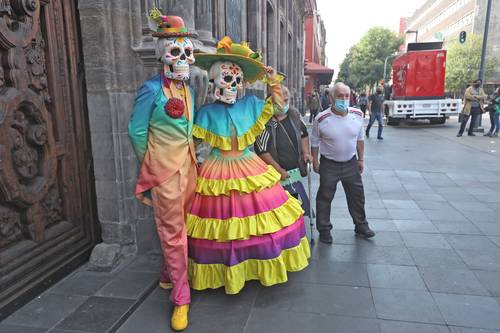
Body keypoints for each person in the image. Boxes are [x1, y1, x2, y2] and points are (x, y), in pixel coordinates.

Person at [187, 36, 310, 295]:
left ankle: (256, 265)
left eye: (236, 79)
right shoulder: (207, 112)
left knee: (258, 220)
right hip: (217, 167)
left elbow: (279, 106)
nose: (232, 85)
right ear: (214, 82)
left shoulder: (251, 105)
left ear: (242, 83)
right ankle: (227, 271)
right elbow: (193, 142)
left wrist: (272, 80)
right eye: (226, 78)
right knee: (222, 223)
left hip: (248, 163)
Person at [128, 9, 197, 331]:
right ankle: (182, 299)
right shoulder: (151, 89)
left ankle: (168, 275)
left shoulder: (190, 91)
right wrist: (152, 167)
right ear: (163, 56)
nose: (182, 57)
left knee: (181, 228)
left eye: (187, 52)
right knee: (173, 235)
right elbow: (137, 132)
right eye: (176, 51)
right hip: (165, 173)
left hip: (189, 169)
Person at [311, 82, 375, 244]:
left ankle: (361, 225)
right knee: (324, 197)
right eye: (340, 96)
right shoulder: (321, 118)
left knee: (357, 196)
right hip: (329, 164)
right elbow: (315, 142)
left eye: (346, 96)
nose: (344, 99)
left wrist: (361, 159)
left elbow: (360, 139)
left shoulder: (357, 114)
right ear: (331, 97)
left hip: (351, 163)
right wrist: (315, 162)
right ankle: (324, 230)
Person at [255, 85, 313, 216]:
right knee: (278, 209)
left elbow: (304, 134)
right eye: (280, 101)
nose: (284, 104)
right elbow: (262, 151)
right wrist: (278, 170)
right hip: (274, 176)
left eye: (286, 100)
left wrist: (306, 153)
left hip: (294, 174)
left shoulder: (294, 115)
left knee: (295, 206)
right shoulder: (264, 122)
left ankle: (296, 230)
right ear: (271, 101)